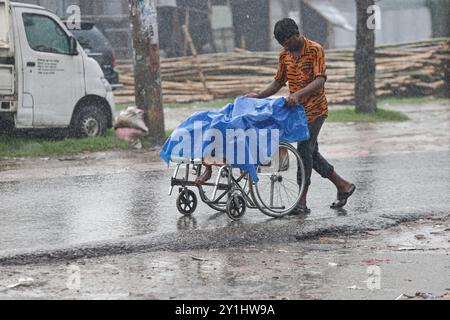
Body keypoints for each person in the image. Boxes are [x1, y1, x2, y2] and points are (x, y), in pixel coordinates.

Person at [245, 18, 356, 214]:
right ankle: (343, 185)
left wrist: (297, 94)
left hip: (315, 110)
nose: (286, 47)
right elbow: (278, 82)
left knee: (304, 151)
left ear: (297, 34)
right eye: (283, 45)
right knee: (311, 153)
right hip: (297, 113)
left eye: (288, 43)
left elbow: (320, 80)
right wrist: (259, 96)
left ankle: (301, 201)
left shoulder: (315, 49)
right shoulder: (284, 55)